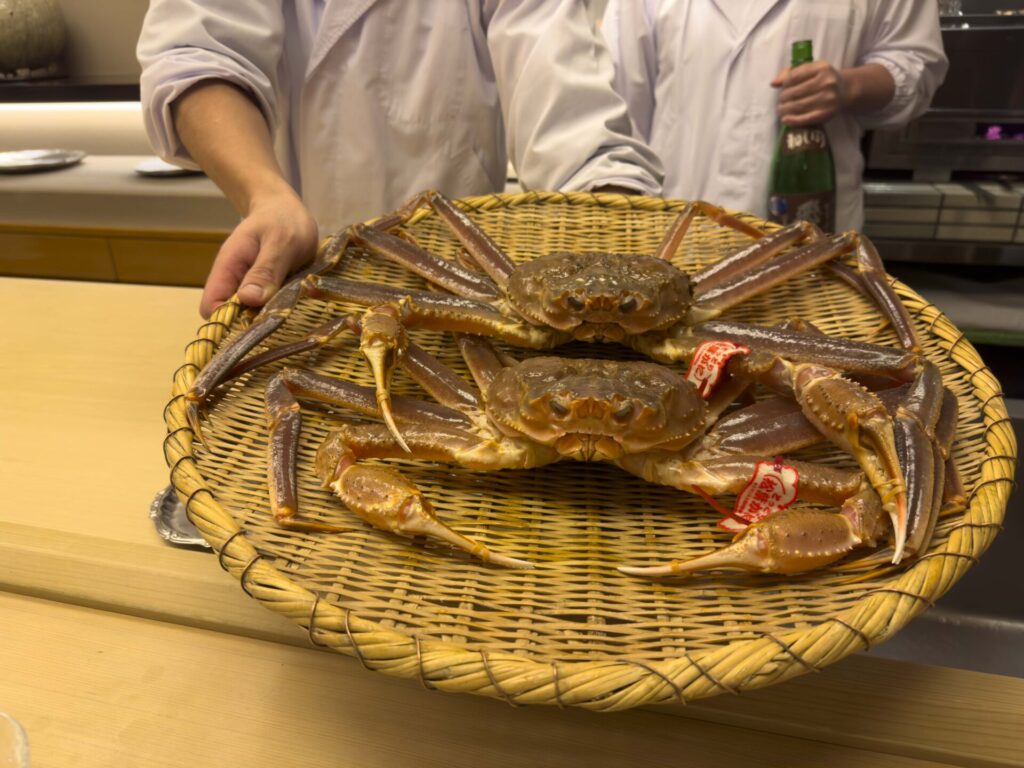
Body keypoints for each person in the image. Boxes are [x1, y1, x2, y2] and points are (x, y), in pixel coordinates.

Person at [137, 1, 664, 318]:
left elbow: (570, 107)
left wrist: (617, 216)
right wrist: (266, 195)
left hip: (463, 301)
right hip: (295, 276)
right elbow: (196, 54)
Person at [602, 0, 948, 231]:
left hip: (809, 225)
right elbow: (621, 106)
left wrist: (849, 87)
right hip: (676, 216)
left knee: (807, 317)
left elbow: (915, 64)